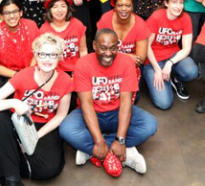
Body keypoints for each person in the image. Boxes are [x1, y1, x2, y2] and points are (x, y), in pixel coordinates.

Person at [0, 33, 72, 186]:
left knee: (50, 170)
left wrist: (34, 138)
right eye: (42, 54)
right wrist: (13, 103)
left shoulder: (65, 80)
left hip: (43, 126)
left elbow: (61, 115)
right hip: (18, 122)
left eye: (53, 54)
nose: (47, 59)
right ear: (36, 55)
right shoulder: (23, 75)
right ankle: (12, 179)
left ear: (60, 57)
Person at [59, 29, 157, 174]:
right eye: (103, 48)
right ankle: (122, 153)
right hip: (93, 113)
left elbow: (126, 103)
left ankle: (94, 151)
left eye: (113, 48)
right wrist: (99, 141)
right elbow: (86, 105)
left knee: (150, 125)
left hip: (117, 112)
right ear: (94, 45)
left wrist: (121, 139)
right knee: (66, 129)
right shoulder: (83, 64)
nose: (108, 53)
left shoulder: (126, 62)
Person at [144, 0, 198, 109]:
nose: (178, 6)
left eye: (181, 2)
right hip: (153, 60)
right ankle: (155, 77)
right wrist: (157, 69)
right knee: (164, 103)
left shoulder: (186, 18)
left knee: (192, 71)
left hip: (172, 56)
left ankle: (176, 79)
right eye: (174, 2)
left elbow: (186, 48)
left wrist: (170, 63)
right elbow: (146, 46)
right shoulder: (157, 17)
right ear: (166, 3)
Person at [0, 0, 40, 91]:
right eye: (7, 13)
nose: (12, 16)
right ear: (1, 16)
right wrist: (18, 76)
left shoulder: (31, 25)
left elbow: (38, 52)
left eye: (15, 11)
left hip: (30, 69)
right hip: (5, 73)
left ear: (21, 12)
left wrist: (29, 72)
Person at [97, 0, 150, 80]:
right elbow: (100, 50)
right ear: (115, 6)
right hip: (108, 64)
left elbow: (140, 59)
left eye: (128, 5)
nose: (124, 9)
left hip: (130, 68)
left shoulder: (141, 26)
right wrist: (127, 56)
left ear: (133, 6)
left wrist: (112, 53)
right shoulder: (105, 19)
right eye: (120, 5)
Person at [40, 0, 88, 74]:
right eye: (55, 7)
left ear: (67, 8)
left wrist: (83, 71)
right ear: (49, 10)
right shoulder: (44, 30)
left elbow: (83, 50)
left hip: (75, 71)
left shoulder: (77, 25)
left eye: (63, 6)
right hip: (54, 73)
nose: (59, 10)